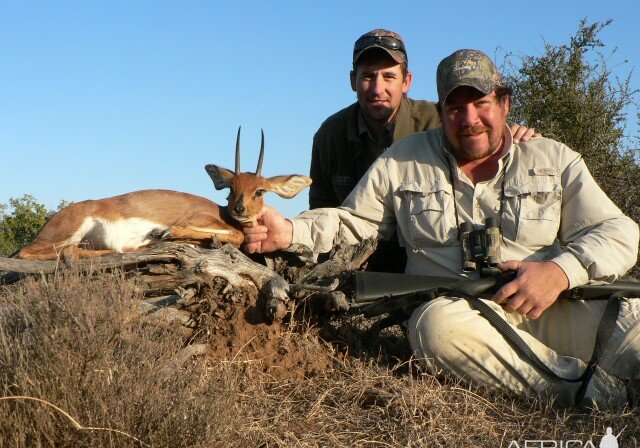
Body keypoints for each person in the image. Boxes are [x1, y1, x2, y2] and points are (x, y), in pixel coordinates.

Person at [244, 48, 640, 409]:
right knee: (433, 328)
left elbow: (618, 232)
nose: (469, 120)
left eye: (481, 103)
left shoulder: (553, 157)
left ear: (504, 103)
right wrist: (289, 232)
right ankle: (586, 393)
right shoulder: (402, 159)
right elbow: (354, 221)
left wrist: (558, 273)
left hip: (551, 306)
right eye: (455, 108)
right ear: (440, 110)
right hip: (464, 319)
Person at [310, 29, 536, 272]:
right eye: (367, 76)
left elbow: (481, 143)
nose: (377, 89)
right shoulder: (329, 135)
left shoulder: (438, 122)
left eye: (389, 77)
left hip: (427, 262)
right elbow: (321, 211)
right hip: (355, 264)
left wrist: (510, 136)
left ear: (407, 81)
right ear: (353, 80)